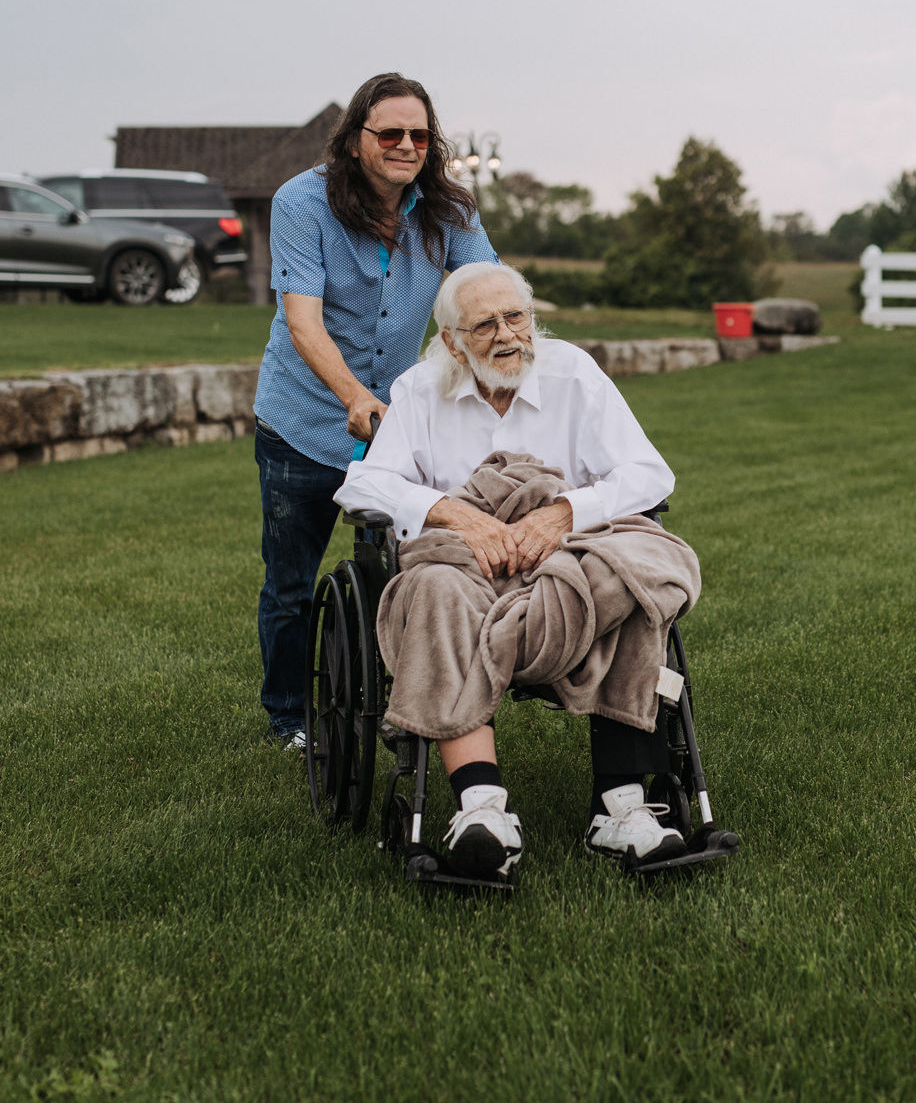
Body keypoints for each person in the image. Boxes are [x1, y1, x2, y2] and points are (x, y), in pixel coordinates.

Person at [334, 262, 702, 878]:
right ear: (452, 340)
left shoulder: (574, 373)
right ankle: (482, 810)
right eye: (485, 325)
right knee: (431, 587)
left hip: (566, 567)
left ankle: (621, 808)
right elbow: (362, 483)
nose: (508, 336)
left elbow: (648, 474)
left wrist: (563, 513)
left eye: (517, 317)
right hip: (464, 571)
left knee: (634, 580)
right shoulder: (421, 389)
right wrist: (452, 512)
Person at [253, 74, 497, 749]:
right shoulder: (303, 202)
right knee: (291, 584)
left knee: (412, 569)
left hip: (397, 426)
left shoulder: (449, 210)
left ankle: (406, 699)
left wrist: (508, 347)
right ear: (357, 139)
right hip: (300, 422)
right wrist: (354, 396)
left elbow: (484, 290)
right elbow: (301, 321)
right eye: (389, 133)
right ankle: (288, 717)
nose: (406, 145)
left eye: (419, 135)